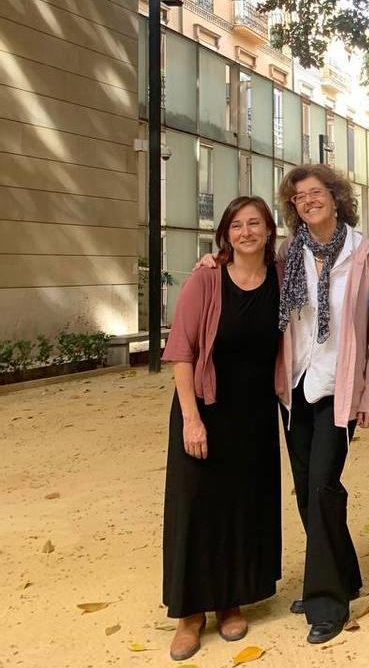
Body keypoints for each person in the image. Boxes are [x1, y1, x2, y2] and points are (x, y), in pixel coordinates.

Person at [162, 196, 284, 661]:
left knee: (240, 507)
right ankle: (189, 613)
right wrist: (191, 418)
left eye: (255, 223)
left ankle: (230, 600)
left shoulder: (279, 275)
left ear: (269, 231)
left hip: (253, 415)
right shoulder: (207, 276)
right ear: (225, 234)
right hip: (206, 408)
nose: (246, 231)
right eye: (237, 225)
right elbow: (181, 351)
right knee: (195, 506)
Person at [276, 164, 369, 644]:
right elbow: (237, 264)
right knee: (307, 489)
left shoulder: (365, 254)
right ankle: (344, 571)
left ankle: (326, 601)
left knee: (322, 484)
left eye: (315, 193)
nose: (308, 201)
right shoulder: (287, 255)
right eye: (299, 197)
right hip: (295, 385)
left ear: (336, 197)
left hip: (338, 388)